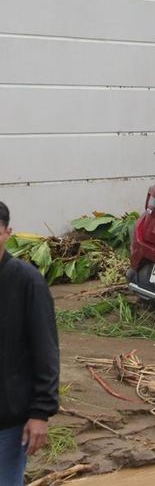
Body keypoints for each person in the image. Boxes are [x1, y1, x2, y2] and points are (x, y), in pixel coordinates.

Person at [0, 201, 59, 486]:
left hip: (8, 423)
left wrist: (40, 412)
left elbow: (46, 351)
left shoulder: (28, 282)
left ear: (7, 233)